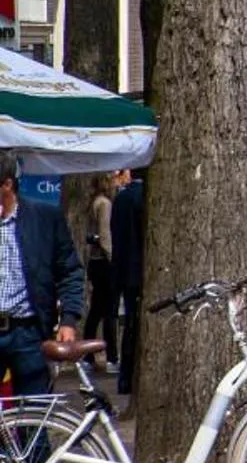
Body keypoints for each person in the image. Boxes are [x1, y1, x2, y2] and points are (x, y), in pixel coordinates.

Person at [0, 153, 88, 399]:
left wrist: (69, 319)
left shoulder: (44, 217)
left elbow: (69, 270)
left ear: (7, 185)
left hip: (27, 332)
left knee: (33, 414)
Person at [82, 169, 129, 377]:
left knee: (96, 311)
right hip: (104, 263)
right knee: (109, 311)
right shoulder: (105, 204)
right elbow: (105, 235)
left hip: (95, 263)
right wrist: (114, 259)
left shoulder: (95, 202)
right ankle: (111, 356)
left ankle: (88, 355)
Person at [110, 171, 143, 394]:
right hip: (138, 269)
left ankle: (125, 378)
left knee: (130, 324)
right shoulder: (141, 197)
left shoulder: (121, 198)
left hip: (124, 271)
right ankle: (128, 377)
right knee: (134, 325)